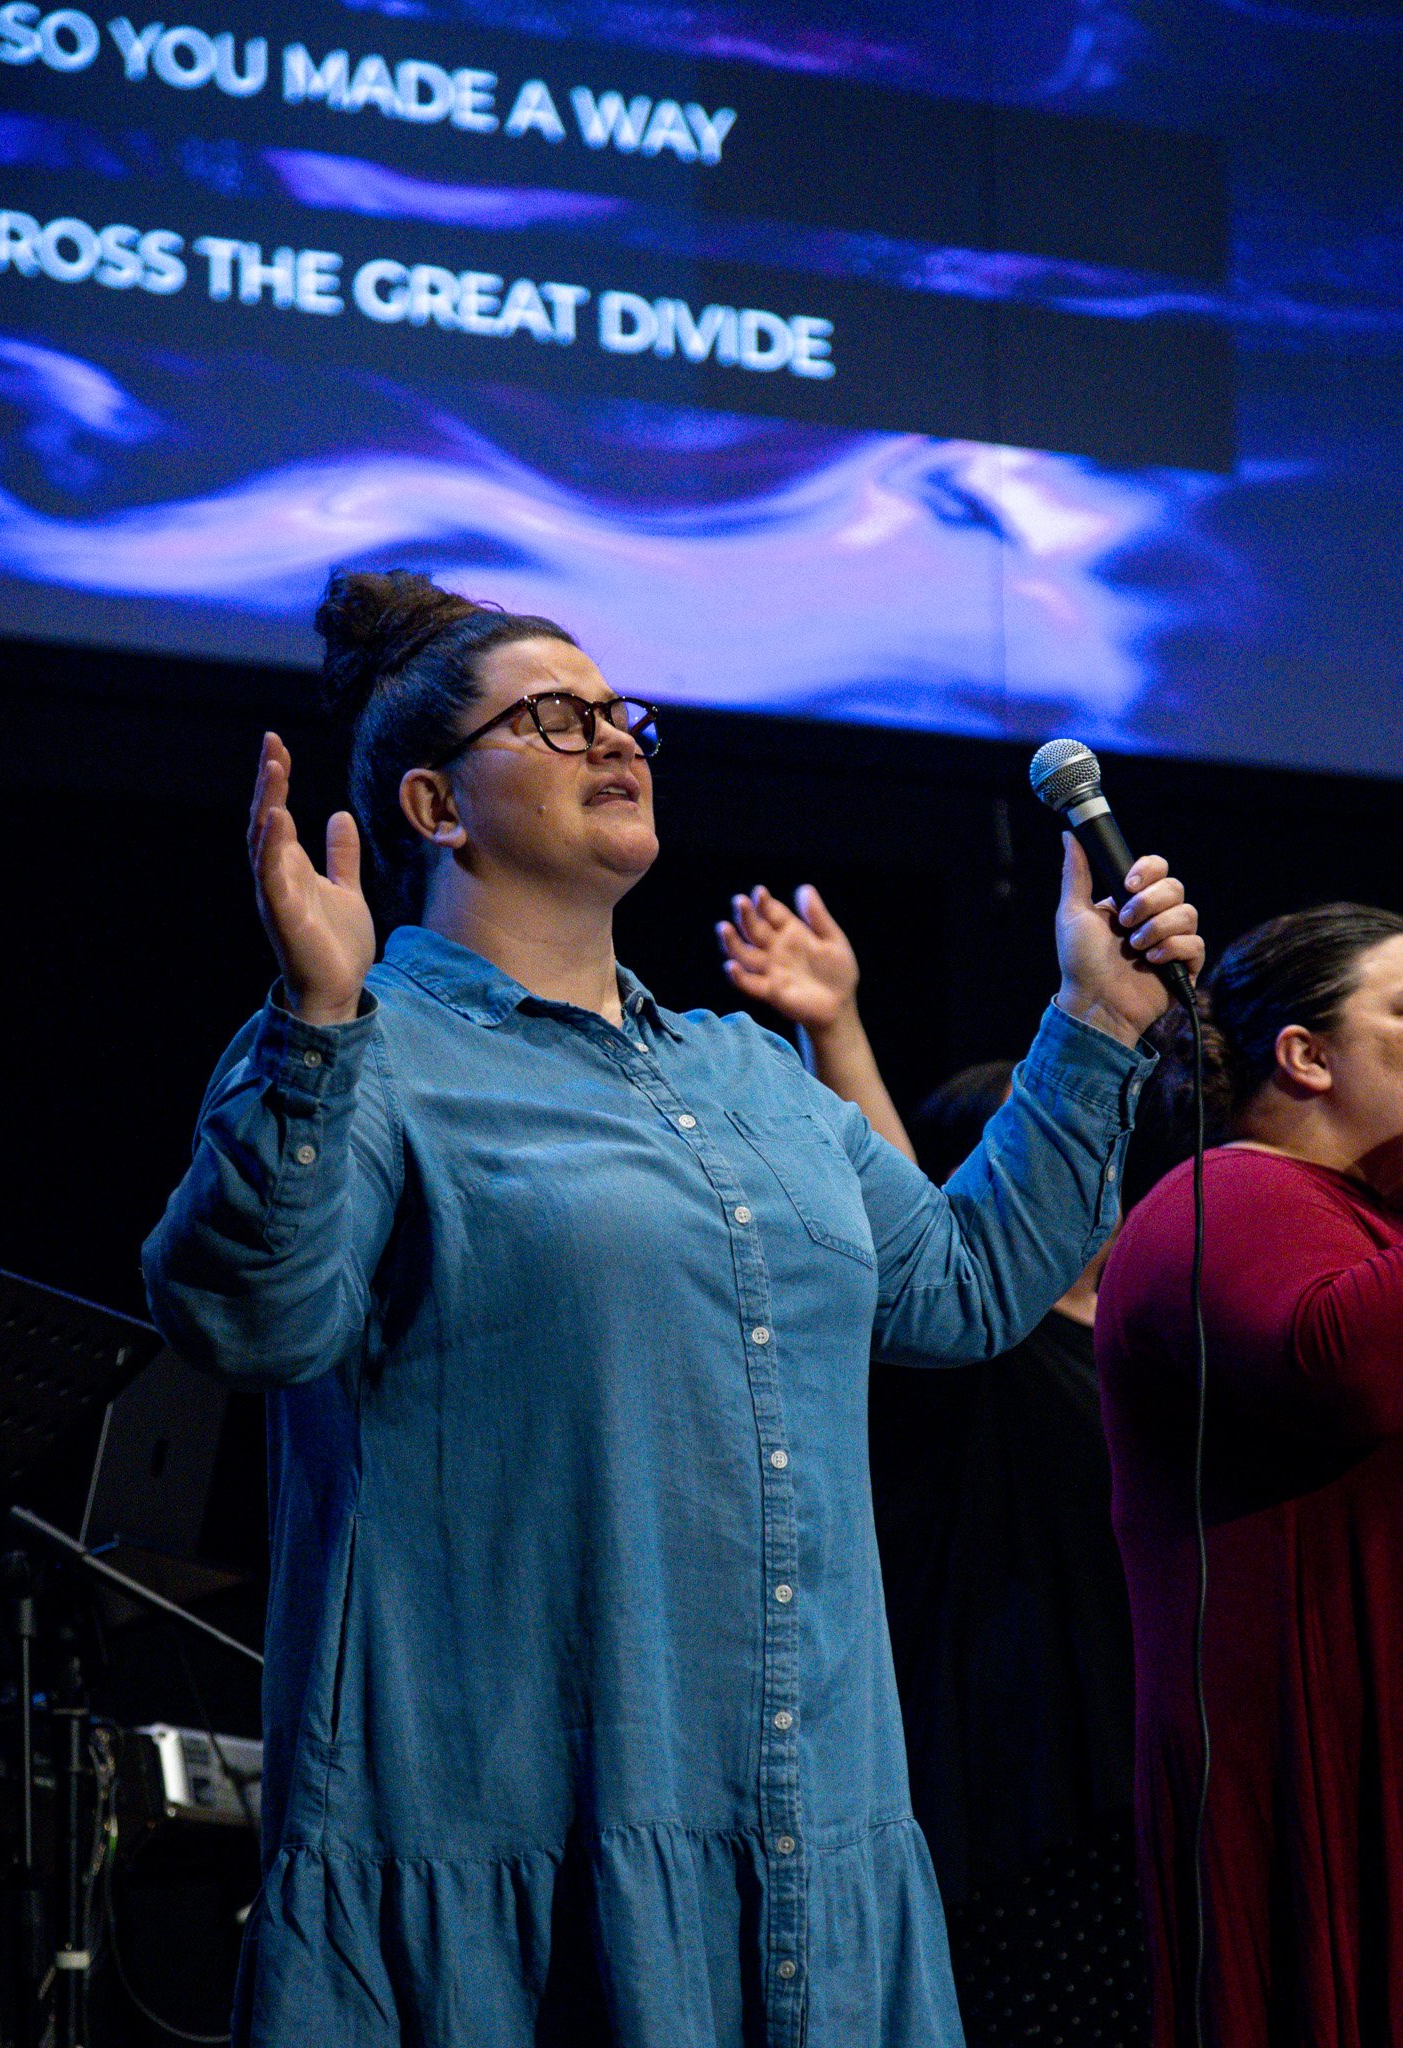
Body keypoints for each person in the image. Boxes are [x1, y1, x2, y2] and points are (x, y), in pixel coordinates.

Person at [142, 568, 1203, 2048]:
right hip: (517, 1836)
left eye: (619, 712)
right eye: (556, 719)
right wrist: (316, 1021)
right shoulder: (369, 1053)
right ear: (436, 809)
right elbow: (248, 1324)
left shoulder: (747, 1074)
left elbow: (963, 1289)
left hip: (809, 1829)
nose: (613, 738)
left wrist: (1096, 1020)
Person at [718, 890, 1146, 2047]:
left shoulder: (1143, 1331)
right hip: (1035, 1793)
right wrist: (836, 1023)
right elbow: (918, 1254)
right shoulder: (990, 1348)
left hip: (1153, 1778)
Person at [1094, 903, 1403, 2047]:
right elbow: (1345, 1369)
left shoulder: (1366, 1220)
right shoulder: (1227, 1197)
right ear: (1306, 1053)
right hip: (1309, 1764)